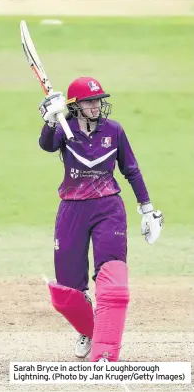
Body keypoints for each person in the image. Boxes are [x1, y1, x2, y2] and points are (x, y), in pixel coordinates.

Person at [39, 76, 163, 362]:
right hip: (72, 208)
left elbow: (131, 169)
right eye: (90, 102)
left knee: (112, 278)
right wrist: (50, 120)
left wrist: (147, 207)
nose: (96, 106)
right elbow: (47, 145)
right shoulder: (64, 128)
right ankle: (87, 329)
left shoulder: (114, 130)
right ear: (75, 106)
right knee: (69, 287)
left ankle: (107, 345)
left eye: (99, 101)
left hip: (108, 207)